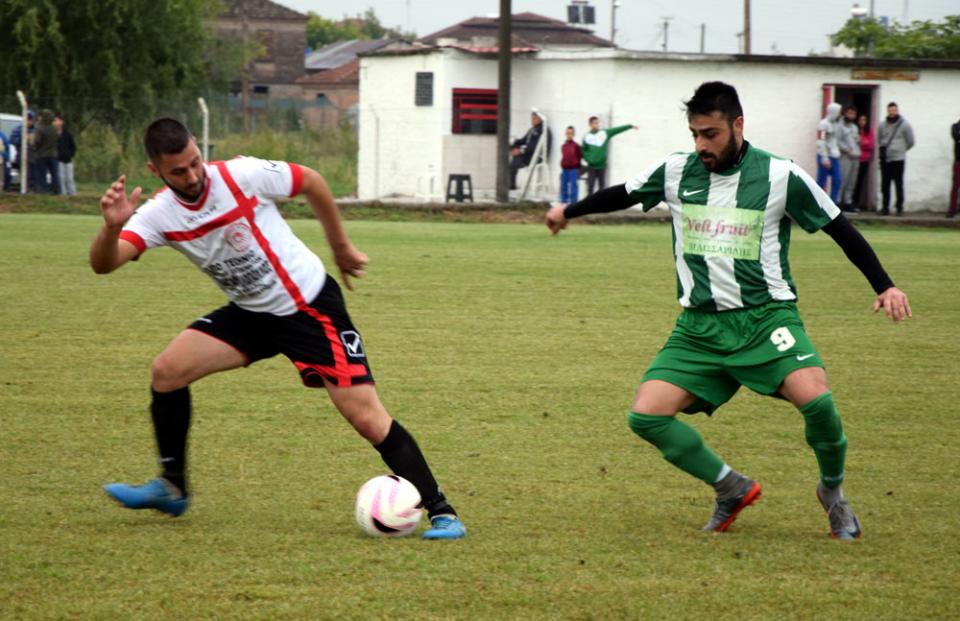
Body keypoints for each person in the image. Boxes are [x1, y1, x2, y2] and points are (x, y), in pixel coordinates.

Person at [545, 81, 911, 540]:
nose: (701, 145)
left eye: (711, 134)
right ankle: (730, 487)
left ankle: (833, 494)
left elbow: (839, 226)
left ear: (738, 125)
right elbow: (622, 192)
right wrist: (568, 212)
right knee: (646, 416)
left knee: (819, 404)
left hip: (766, 319)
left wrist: (885, 285)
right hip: (698, 328)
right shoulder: (677, 171)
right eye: (695, 133)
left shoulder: (781, 175)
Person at [90, 118, 466, 539]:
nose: (193, 175)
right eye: (179, 171)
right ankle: (172, 488)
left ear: (199, 148)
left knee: (366, 417)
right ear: (155, 170)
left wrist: (340, 246)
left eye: (196, 162)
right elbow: (105, 263)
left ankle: (443, 511)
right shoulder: (160, 213)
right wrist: (111, 228)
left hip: (309, 308)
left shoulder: (241, 175)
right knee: (167, 371)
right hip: (251, 314)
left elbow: (312, 181)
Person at [581, 116, 637, 195]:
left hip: (602, 166)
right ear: (590, 124)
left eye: (597, 123)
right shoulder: (586, 137)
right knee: (590, 186)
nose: (596, 125)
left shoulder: (604, 133)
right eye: (594, 123)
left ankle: (600, 205)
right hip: (591, 167)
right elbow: (583, 150)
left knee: (602, 187)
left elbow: (617, 130)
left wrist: (630, 126)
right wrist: (588, 159)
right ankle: (589, 205)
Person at [877, 102, 915, 216]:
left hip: (898, 159)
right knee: (885, 184)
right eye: (890, 110)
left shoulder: (905, 125)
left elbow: (911, 141)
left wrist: (900, 150)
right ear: (887, 111)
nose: (892, 112)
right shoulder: (882, 125)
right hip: (886, 159)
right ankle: (885, 207)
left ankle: (899, 207)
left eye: (894, 110)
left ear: (897, 110)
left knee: (898, 183)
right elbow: (879, 139)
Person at [509, 111, 551, 190]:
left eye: (534, 119)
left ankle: (511, 184)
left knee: (517, 159)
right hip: (530, 154)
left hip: (537, 156)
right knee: (514, 153)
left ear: (540, 119)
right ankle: (511, 182)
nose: (532, 121)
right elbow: (523, 140)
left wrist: (521, 151)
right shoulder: (532, 129)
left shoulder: (542, 131)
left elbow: (534, 147)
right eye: (532, 119)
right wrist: (513, 143)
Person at [816, 102, 842, 203]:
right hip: (824, 156)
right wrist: (824, 157)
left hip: (834, 156)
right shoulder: (823, 124)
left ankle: (833, 204)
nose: (840, 114)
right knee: (821, 182)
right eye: (838, 112)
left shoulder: (836, 123)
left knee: (837, 181)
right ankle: (817, 205)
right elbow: (820, 141)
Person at [837, 106, 861, 213]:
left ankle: (848, 202)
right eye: (850, 113)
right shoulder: (839, 126)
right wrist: (847, 150)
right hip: (845, 156)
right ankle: (838, 202)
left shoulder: (854, 127)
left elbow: (856, 141)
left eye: (853, 114)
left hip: (855, 157)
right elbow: (837, 141)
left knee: (852, 181)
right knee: (842, 180)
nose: (851, 116)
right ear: (845, 113)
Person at [32, 109, 60, 194]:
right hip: (53, 154)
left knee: (41, 173)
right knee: (54, 174)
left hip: (41, 155)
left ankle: (43, 190)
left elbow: (36, 141)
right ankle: (56, 189)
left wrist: (34, 147)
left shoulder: (39, 128)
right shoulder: (54, 128)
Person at [852, 115, 874, 212]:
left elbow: (870, 144)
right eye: (861, 119)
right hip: (854, 158)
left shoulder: (869, 131)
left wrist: (862, 141)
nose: (862, 122)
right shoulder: (854, 130)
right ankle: (849, 202)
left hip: (864, 159)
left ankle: (856, 203)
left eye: (864, 120)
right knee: (852, 182)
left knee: (859, 182)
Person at [54, 114, 77, 196]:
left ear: (62, 122)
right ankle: (62, 194)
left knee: (70, 178)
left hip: (68, 160)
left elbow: (73, 146)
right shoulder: (53, 134)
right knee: (61, 178)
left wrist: (70, 154)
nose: (56, 122)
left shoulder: (67, 134)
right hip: (58, 160)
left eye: (57, 120)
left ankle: (72, 194)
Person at [559, 125, 582, 204]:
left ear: (573, 134)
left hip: (573, 170)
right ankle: (563, 203)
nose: (569, 135)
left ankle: (574, 204)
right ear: (565, 133)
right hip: (565, 170)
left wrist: (576, 166)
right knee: (563, 187)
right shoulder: (563, 146)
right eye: (568, 133)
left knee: (573, 188)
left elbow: (579, 156)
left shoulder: (576, 146)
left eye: (571, 133)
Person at [948, 116, 960, 218]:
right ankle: (952, 209)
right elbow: (956, 136)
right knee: (956, 185)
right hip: (958, 161)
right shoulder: (955, 126)